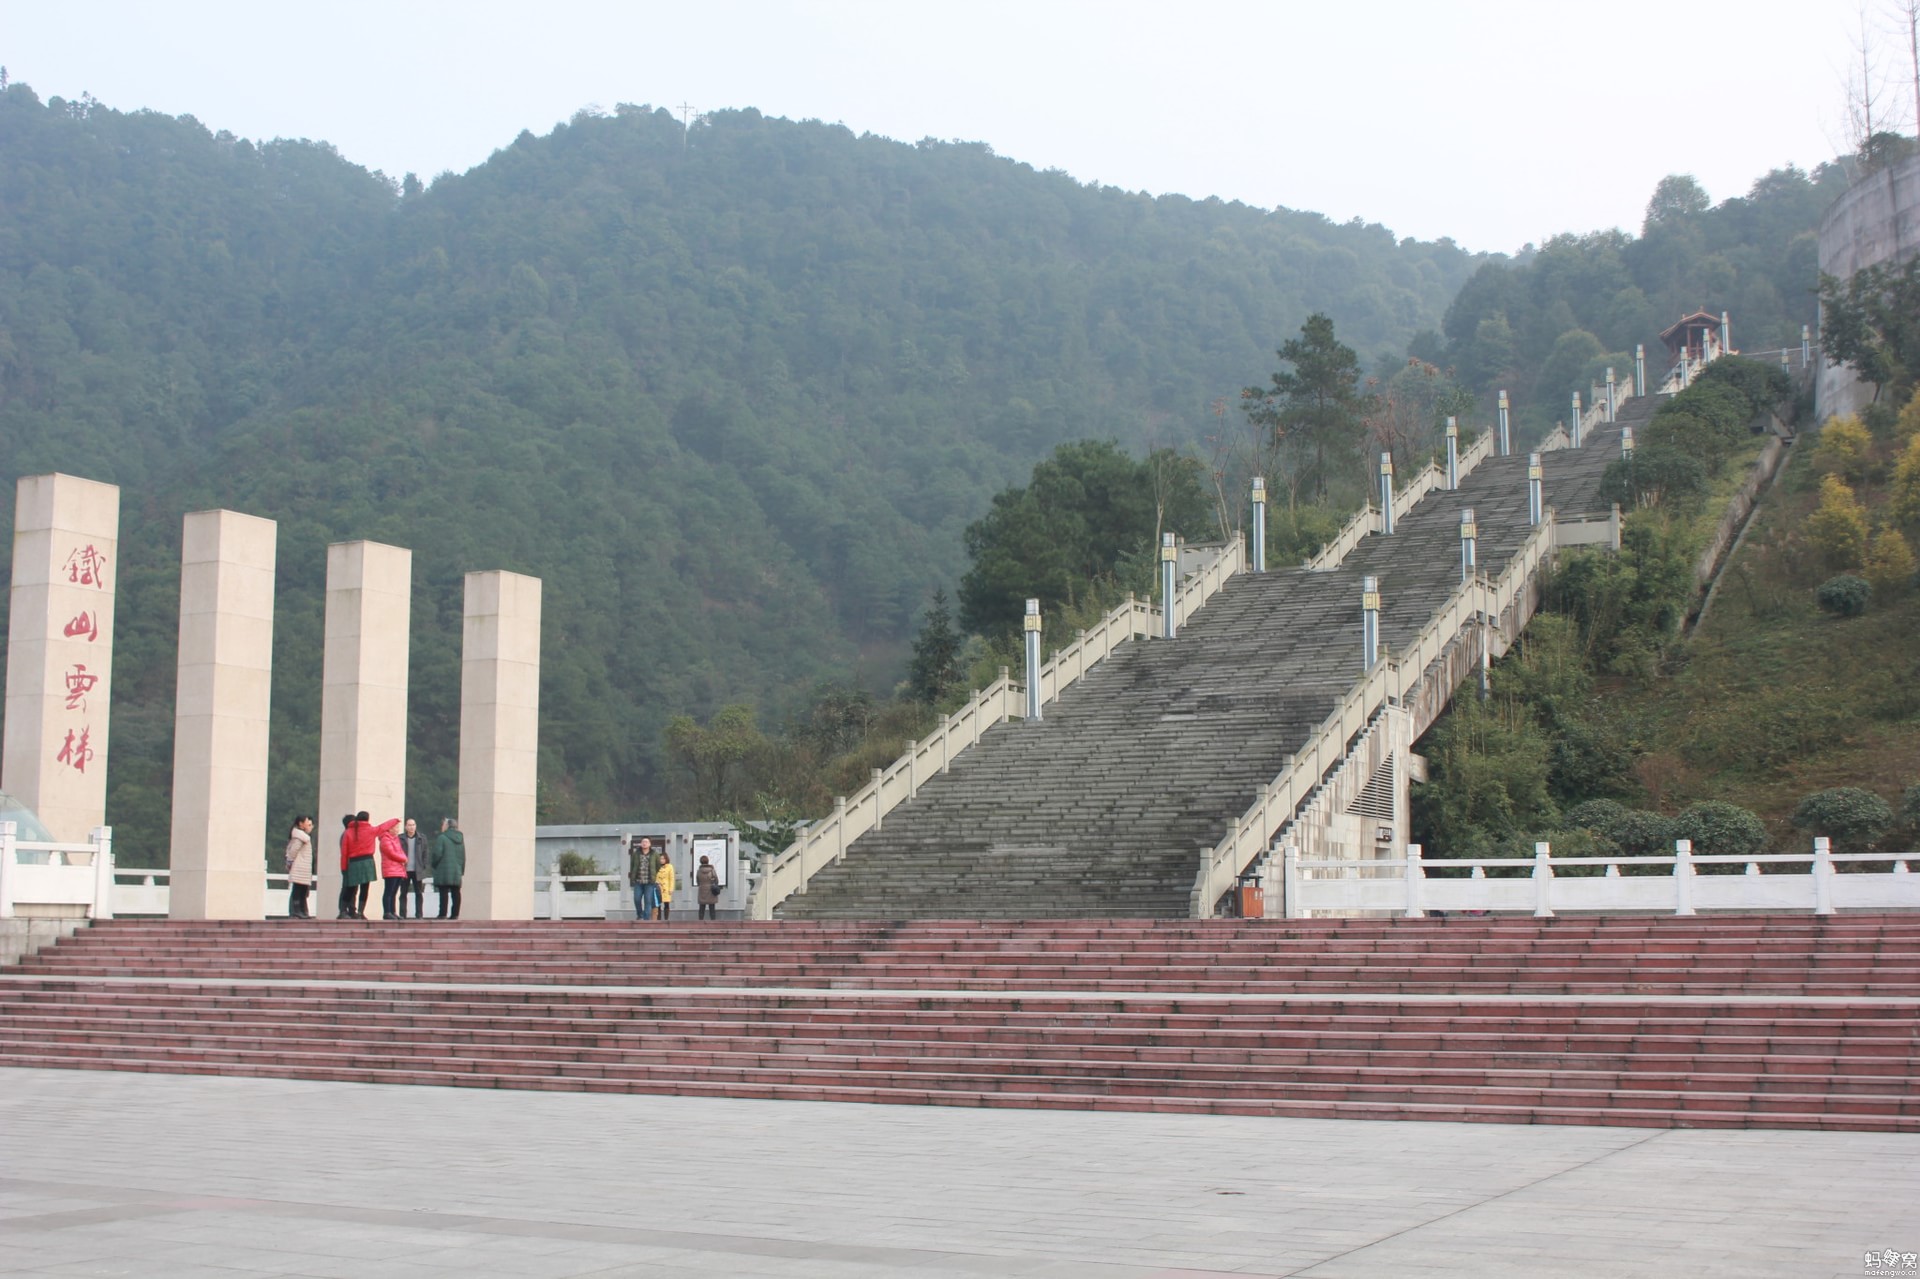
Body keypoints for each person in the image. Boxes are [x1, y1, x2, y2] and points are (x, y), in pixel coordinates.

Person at [338, 812, 377, 919]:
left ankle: (352, 910)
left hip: (352, 864)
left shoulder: (354, 833)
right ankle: (343, 910)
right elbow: (344, 852)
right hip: (350, 864)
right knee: (348, 888)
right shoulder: (348, 834)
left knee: (353, 889)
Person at [432, 817, 465, 919]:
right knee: (456, 892)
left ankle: (442, 914)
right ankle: (455, 914)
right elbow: (463, 856)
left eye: (443, 824)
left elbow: (437, 854)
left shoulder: (442, 838)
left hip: (444, 869)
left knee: (444, 892)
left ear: (447, 826)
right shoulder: (460, 839)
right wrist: (461, 870)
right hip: (457, 870)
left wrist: (434, 864)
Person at [398, 818, 430, 919]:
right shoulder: (401, 838)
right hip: (404, 870)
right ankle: (402, 914)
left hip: (417, 870)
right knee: (403, 893)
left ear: (415, 826)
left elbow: (426, 852)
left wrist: (424, 865)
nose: (411, 827)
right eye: (409, 825)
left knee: (419, 893)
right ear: (405, 827)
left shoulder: (422, 838)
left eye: (413, 825)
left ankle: (419, 914)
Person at [284, 815, 315, 919]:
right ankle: (297, 911)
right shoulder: (300, 836)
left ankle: (301, 911)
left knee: (301, 890)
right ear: (301, 824)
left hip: (303, 867)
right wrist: (290, 862)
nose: (310, 825)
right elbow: (293, 851)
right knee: (298, 890)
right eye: (307, 822)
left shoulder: (301, 836)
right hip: (300, 867)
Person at [375, 817, 406, 919]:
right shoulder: (385, 839)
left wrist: (404, 858)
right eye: (396, 827)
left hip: (398, 869)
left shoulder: (396, 839)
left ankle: (393, 911)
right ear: (390, 829)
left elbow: (400, 851)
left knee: (394, 892)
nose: (398, 830)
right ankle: (387, 912)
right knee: (389, 891)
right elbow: (391, 853)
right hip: (390, 869)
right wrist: (404, 859)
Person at [629, 836, 660, 922]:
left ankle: (646, 919)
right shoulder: (636, 853)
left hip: (650, 882)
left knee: (648, 900)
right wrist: (633, 877)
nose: (644, 843)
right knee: (637, 899)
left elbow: (658, 866)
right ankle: (640, 915)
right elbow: (632, 865)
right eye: (643, 841)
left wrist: (653, 875)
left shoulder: (654, 854)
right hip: (638, 881)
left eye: (646, 842)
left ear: (650, 844)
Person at [695, 854, 720, 921]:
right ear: (708, 861)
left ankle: (700, 922)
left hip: (702, 890)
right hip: (711, 890)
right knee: (712, 908)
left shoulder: (699, 871)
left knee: (702, 908)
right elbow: (716, 880)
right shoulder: (712, 870)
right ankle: (713, 922)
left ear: (700, 862)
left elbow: (697, 882)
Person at [654, 850, 676, 922]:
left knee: (666, 904)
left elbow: (671, 878)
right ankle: (659, 920)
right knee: (658, 904)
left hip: (666, 888)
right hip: (658, 887)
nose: (661, 860)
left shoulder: (670, 867)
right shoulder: (656, 866)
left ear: (666, 859)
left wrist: (671, 889)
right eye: (660, 858)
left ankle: (666, 919)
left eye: (663, 858)